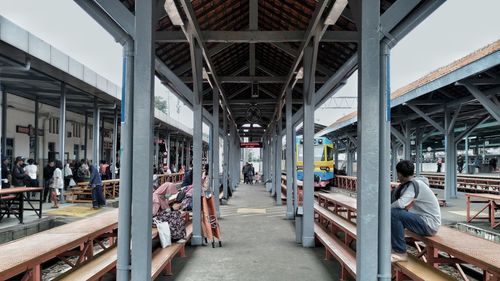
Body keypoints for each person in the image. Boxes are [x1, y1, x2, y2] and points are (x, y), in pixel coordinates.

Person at [391, 160, 441, 262]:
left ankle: (400, 252)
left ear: (399, 174)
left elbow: (400, 204)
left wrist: (385, 208)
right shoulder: (411, 184)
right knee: (393, 215)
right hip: (425, 222)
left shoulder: (413, 185)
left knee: (394, 214)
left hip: (429, 224)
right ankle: (390, 247)